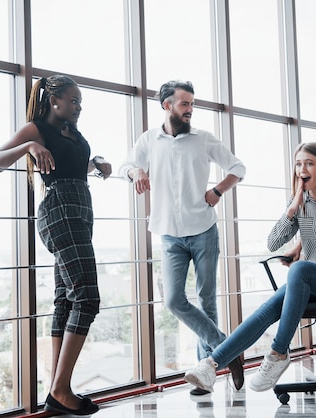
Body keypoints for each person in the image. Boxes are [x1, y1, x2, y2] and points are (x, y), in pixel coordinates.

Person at [183, 142, 316, 393]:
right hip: (315, 281)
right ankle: (211, 365)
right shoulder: (299, 204)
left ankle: (278, 353)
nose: (302, 169)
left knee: (299, 271)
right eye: (298, 164)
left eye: (309, 163)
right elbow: (273, 242)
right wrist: (292, 209)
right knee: (271, 305)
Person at [0, 75, 112, 415]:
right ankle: (60, 391)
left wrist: (95, 163)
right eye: (73, 101)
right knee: (87, 296)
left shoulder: (72, 132)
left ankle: (58, 391)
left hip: (81, 210)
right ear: (54, 101)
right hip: (60, 211)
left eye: (80, 102)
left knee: (66, 300)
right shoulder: (37, 129)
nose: (78, 107)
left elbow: (68, 166)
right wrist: (28, 146)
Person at [118, 80, 246, 395]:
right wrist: (138, 173)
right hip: (170, 236)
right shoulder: (149, 140)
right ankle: (227, 350)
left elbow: (238, 167)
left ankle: (206, 374)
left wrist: (217, 191)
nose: (190, 110)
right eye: (184, 104)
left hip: (203, 230)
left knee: (207, 301)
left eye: (191, 104)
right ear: (167, 105)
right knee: (174, 300)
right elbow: (126, 166)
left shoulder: (203, 139)